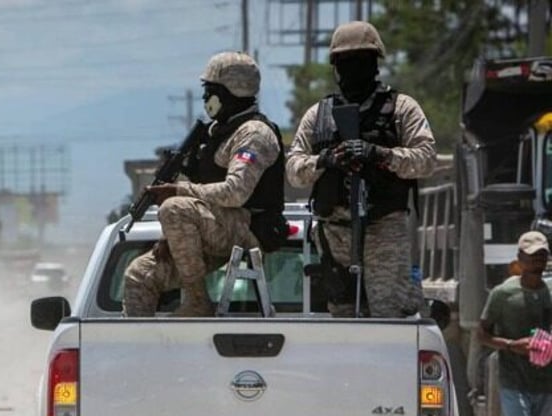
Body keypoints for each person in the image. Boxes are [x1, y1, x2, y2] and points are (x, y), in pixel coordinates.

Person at [286, 20, 436, 318]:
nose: (353, 69)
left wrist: (379, 154)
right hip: (336, 232)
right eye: (345, 62)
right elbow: (293, 169)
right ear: (336, 66)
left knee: (390, 314)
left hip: (384, 228)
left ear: (375, 63)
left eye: (361, 61)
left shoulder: (401, 109)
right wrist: (326, 160)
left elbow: (426, 159)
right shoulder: (319, 115)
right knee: (342, 315)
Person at [122, 51, 286, 317]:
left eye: (210, 91)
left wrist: (177, 191)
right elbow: (201, 193)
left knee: (174, 208)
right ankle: (140, 352)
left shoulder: (254, 134)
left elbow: (235, 192)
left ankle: (197, 302)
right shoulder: (215, 133)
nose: (205, 98)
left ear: (230, 93)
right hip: (215, 229)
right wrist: (172, 237)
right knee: (140, 275)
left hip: (247, 228)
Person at [477, 230, 552, 416]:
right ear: (519, 261)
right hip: (512, 382)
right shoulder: (503, 295)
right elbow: (481, 334)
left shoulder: (549, 295)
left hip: (545, 385)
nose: (537, 263)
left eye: (542, 257)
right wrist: (510, 345)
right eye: (532, 257)